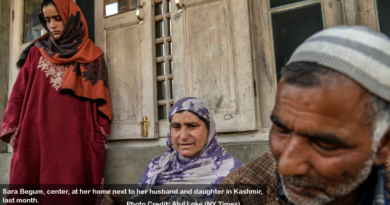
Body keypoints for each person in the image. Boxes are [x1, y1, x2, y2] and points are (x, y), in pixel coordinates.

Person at [214, 26, 390, 205]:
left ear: (382, 144)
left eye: (324, 143)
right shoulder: (239, 193)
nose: (286, 167)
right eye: (282, 130)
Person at [0, 0, 112, 204]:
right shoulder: (36, 52)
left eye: (58, 18)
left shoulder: (92, 56)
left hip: (75, 140)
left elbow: (102, 104)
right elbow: (18, 94)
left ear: (71, 18)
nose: (52, 25)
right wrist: (13, 129)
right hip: (36, 137)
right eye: (48, 20)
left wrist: (98, 135)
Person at [101, 97, 243, 205]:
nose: (183, 136)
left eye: (192, 126)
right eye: (176, 127)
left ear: (209, 130)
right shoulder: (158, 166)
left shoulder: (235, 173)